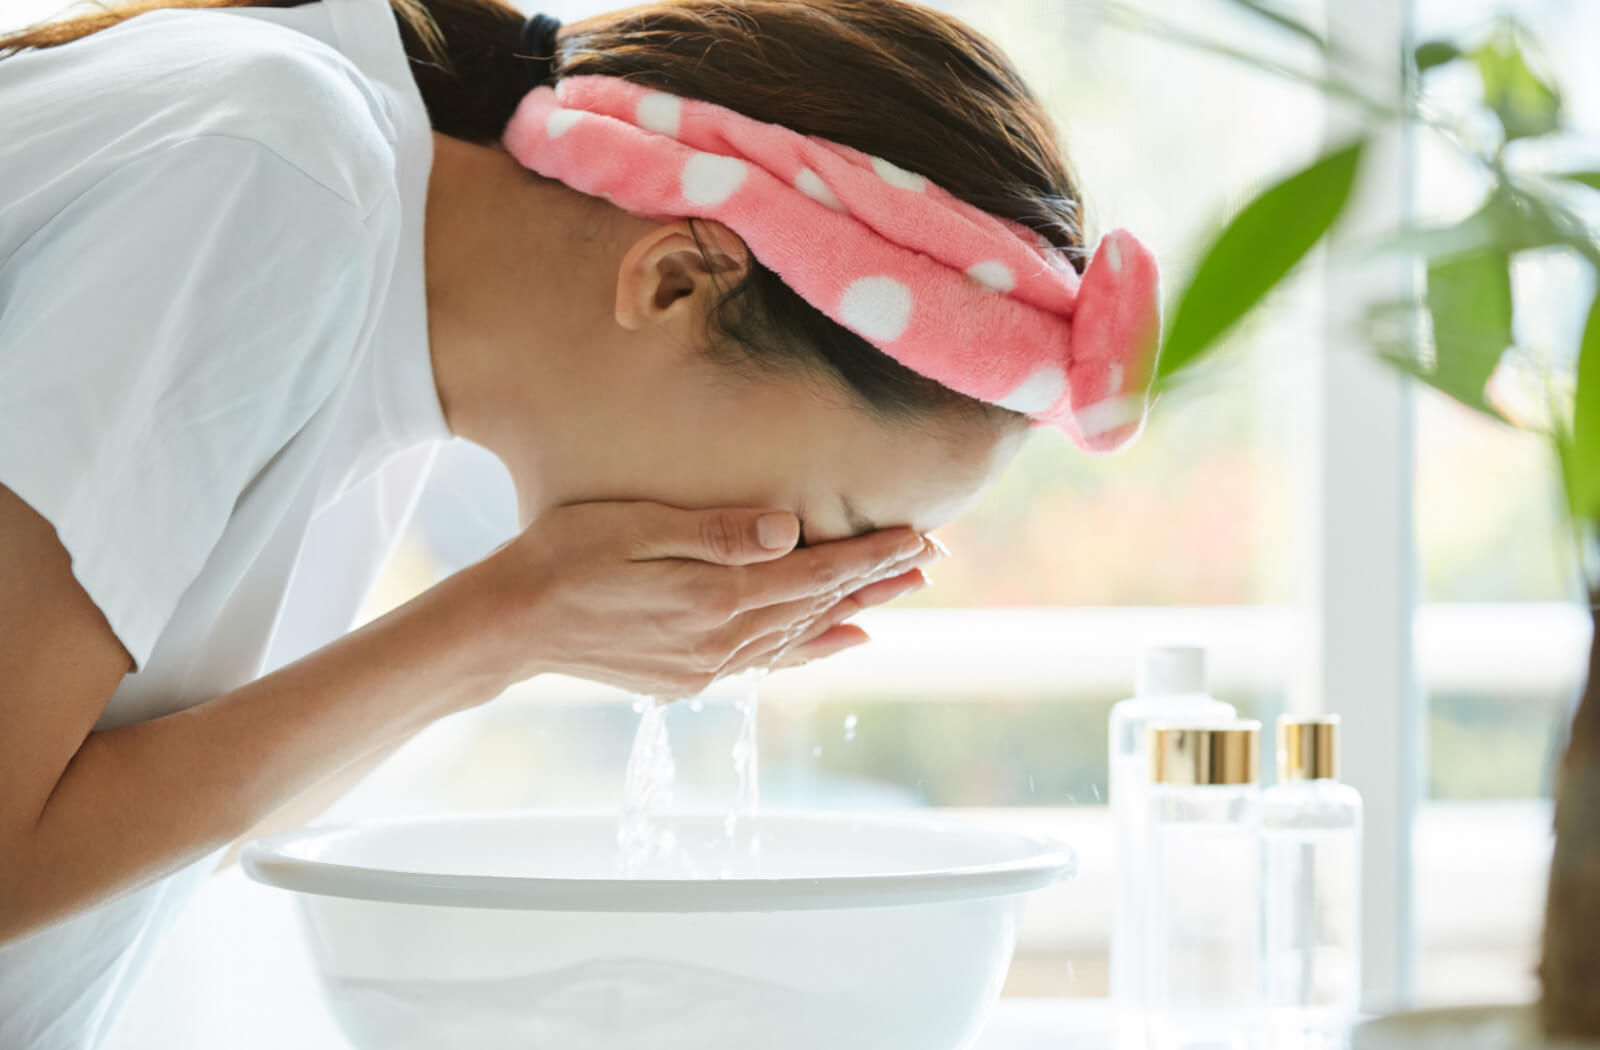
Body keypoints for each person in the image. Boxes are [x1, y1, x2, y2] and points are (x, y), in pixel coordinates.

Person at [0, 0, 1159, 1045]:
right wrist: (505, 622)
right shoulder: (276, 173)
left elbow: (177, 836)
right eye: (819, 528)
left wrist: (518, 631)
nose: (790, 595)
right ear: (674, 282)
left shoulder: (383, 329)